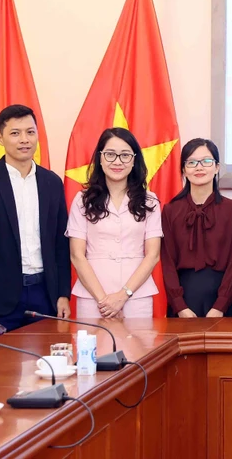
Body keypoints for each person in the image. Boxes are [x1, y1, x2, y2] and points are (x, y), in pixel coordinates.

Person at [0, 105, 71, 337]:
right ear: (0, 138)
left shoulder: (52, 183)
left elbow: (61, 244)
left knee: (49, 367)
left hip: (45, 295)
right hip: (0, 299)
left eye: (30, 132)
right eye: (15, 133)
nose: (24, 140)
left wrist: (63, 294)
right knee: (0, 370)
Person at [66, 127, 163, 319]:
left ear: (134, 160)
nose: (117, 161)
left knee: (139, 349)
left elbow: (153, 255)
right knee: (95, 349)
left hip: (137, 296)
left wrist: (122, 296)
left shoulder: (149, 200)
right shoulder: (82, 200)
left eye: (125, 155)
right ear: (100, 158)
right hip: (93, 297)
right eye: (110, 154)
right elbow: (77, 255)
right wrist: (104, 301)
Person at [161, 138, 232, 318]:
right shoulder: (170, 210)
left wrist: (221, 305)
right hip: (183, 299)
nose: (199, 167)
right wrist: (179, 306)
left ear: (217, 167)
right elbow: (167, 262)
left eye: (206, 161)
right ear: (183, 169)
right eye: (191, 162)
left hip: (223, 299)